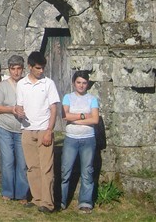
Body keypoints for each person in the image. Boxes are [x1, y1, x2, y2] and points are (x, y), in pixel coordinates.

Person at [14, 51, 60, 214]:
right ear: (30, 67)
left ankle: (48, 203)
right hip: (27, 130)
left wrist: (49, 130)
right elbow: (19, 106)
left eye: (43, 68)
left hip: (43, 130)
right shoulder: (21, 85)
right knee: (32, 167)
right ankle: (37, 198)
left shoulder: (48, 83)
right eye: (38, 68)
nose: (41, 71)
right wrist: (18, 112)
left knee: (46, 167)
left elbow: (53, 109)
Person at [61, 70, 99, 214]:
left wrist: (74, 118)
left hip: (88, 139)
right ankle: (62, 200)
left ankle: (85, 202)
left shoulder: (92, 99)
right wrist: (84, 116)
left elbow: (95, 119)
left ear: (87, 84)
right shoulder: (68, 97)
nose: (81, 86)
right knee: (65, 170)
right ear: (73, 83)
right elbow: (65, 116)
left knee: (87, 171)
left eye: (84, 83)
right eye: (78, 82)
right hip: (71, 138)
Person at [0, 55, 29, 203]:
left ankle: (22, 194)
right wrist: (12, 109)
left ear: (23, 69)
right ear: (9, 70)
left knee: (22, 162)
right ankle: (7, 192)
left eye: (19, 68)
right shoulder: (3, 85)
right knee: (8, 160)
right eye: (13, 69)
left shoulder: (28, 84)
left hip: (22, 128)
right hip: (4, 127)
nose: (16, 72)